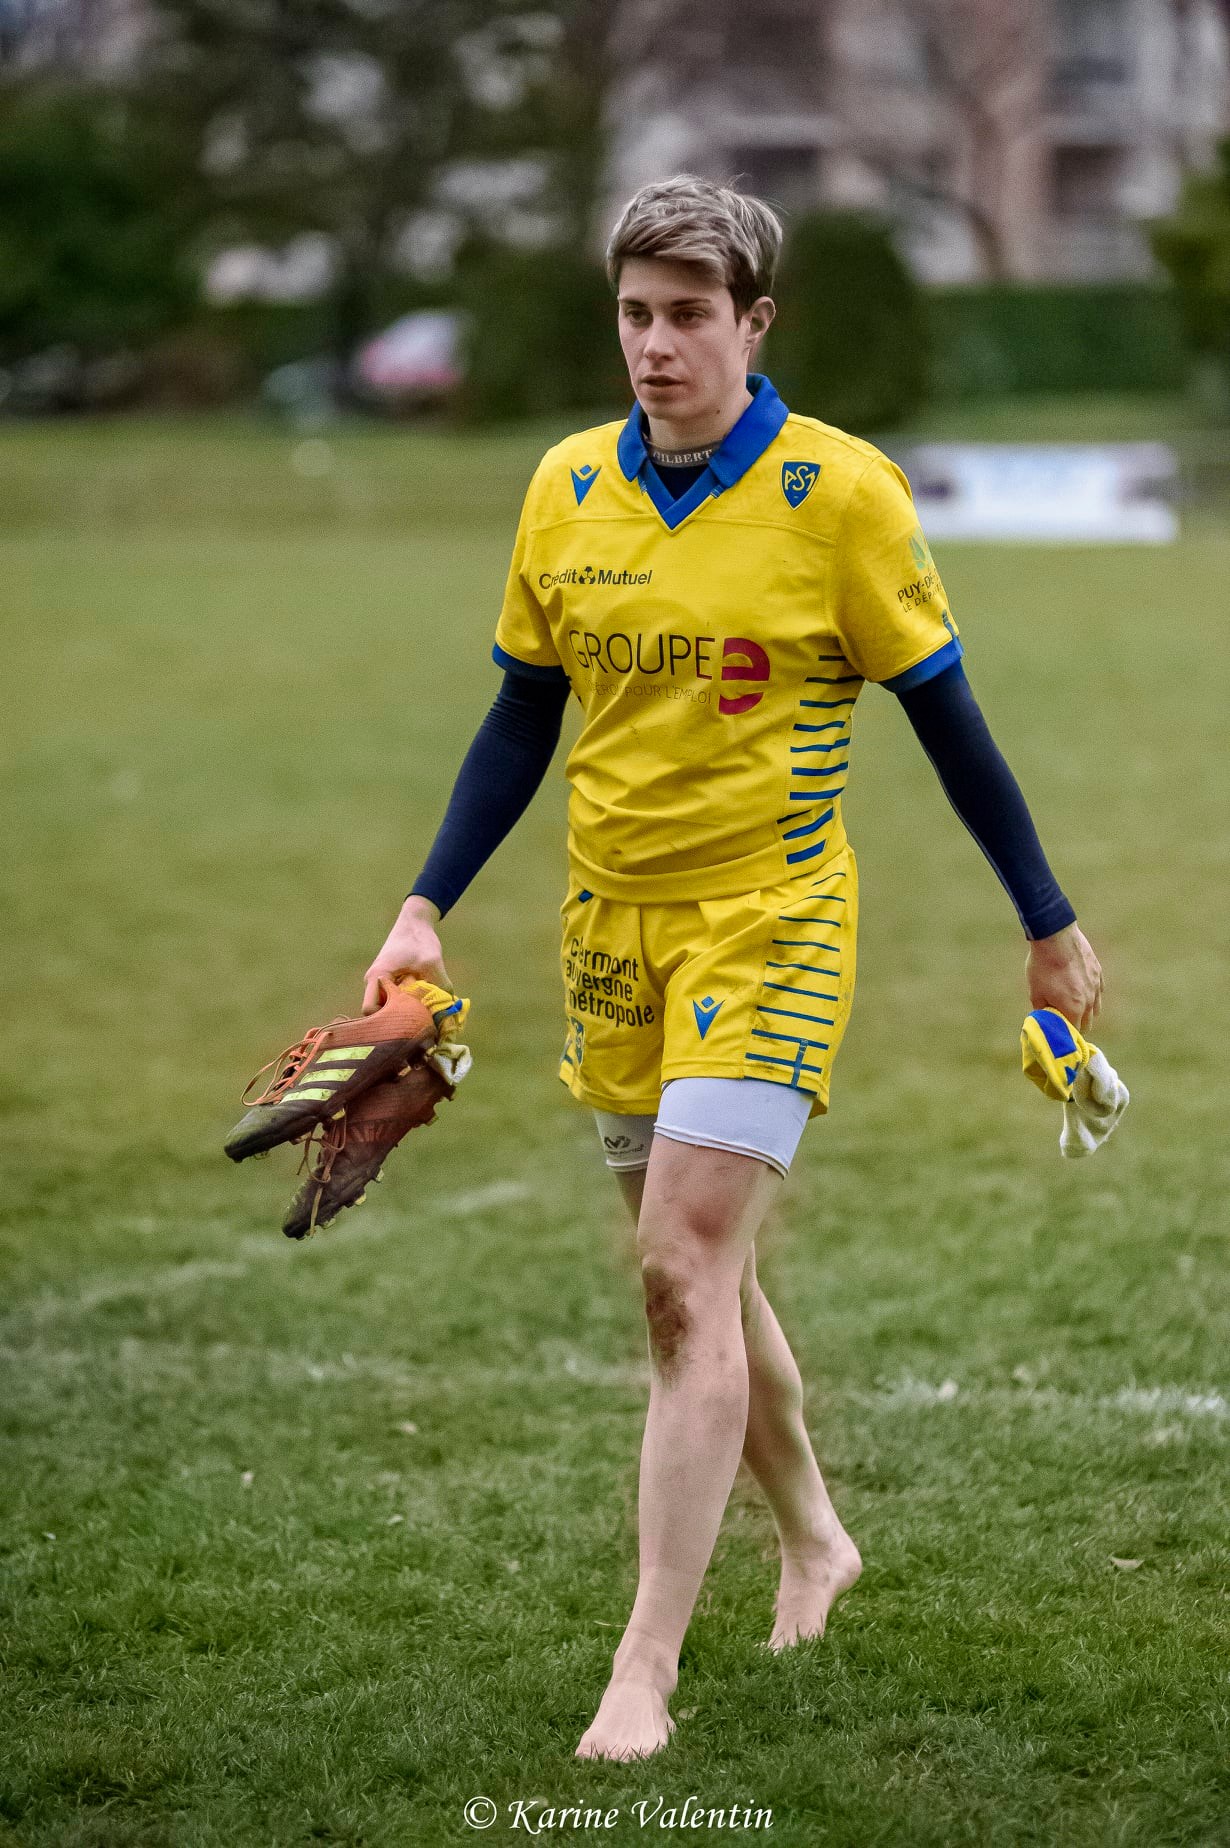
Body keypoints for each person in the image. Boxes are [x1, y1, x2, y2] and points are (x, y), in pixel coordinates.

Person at [361, 176, 1103, 1763]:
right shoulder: (566, 488)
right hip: (611, 929)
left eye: (687, 315)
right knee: (698, 1273)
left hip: (773, 920)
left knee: (679, 1265)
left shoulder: (841, 498)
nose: (653, 345)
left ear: (752, 324)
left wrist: (1044, 919)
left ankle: (643, 1669)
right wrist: (425, 902)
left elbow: (947, 721)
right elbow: (518, 716)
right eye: (633, 313)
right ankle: (816, 1534)